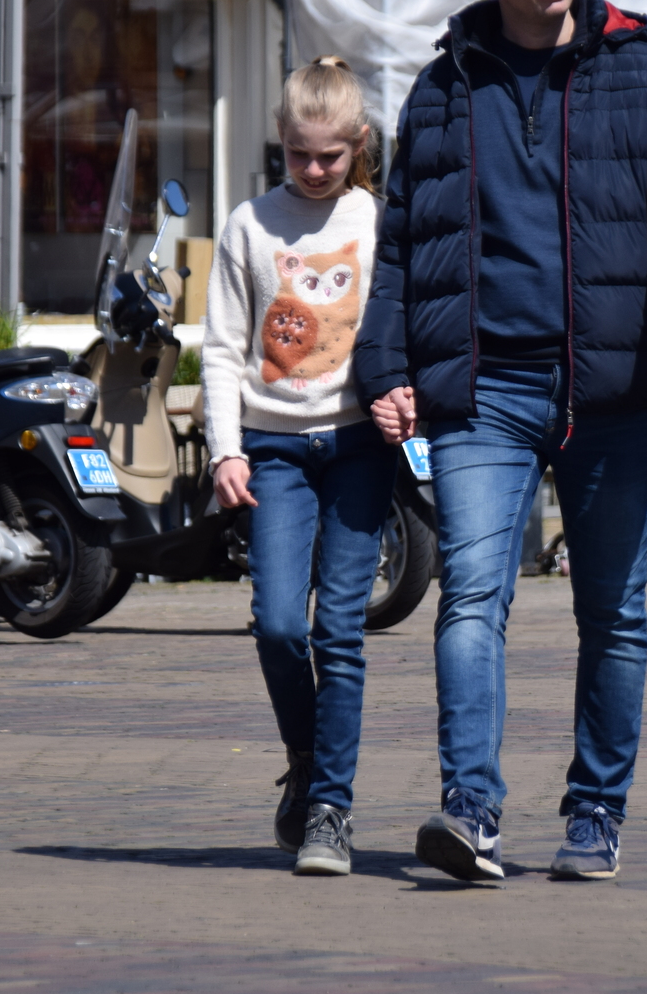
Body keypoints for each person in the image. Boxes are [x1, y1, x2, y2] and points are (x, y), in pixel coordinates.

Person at [354, 0, 647, 882]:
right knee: (471, 596)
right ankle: (471, 811)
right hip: (484, 391)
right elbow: (401, 248)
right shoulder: (442, 89)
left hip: (614, 389)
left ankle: (596, 814)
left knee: (612, 611)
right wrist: (385, 366)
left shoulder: (645, 77)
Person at [201, 56, 389, 877]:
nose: (314, 170)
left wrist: (404, 399)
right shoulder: (250, 225)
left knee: (340, 630)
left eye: (330, 156)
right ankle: (307, 760)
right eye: (299, 155)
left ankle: (329, 811)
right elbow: (220, 348)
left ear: (359, 145)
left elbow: (396, 334)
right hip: (273, 449)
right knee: (280, 623)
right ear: (279, 140)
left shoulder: (375, 223)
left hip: (357, 448)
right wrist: (226, 448)